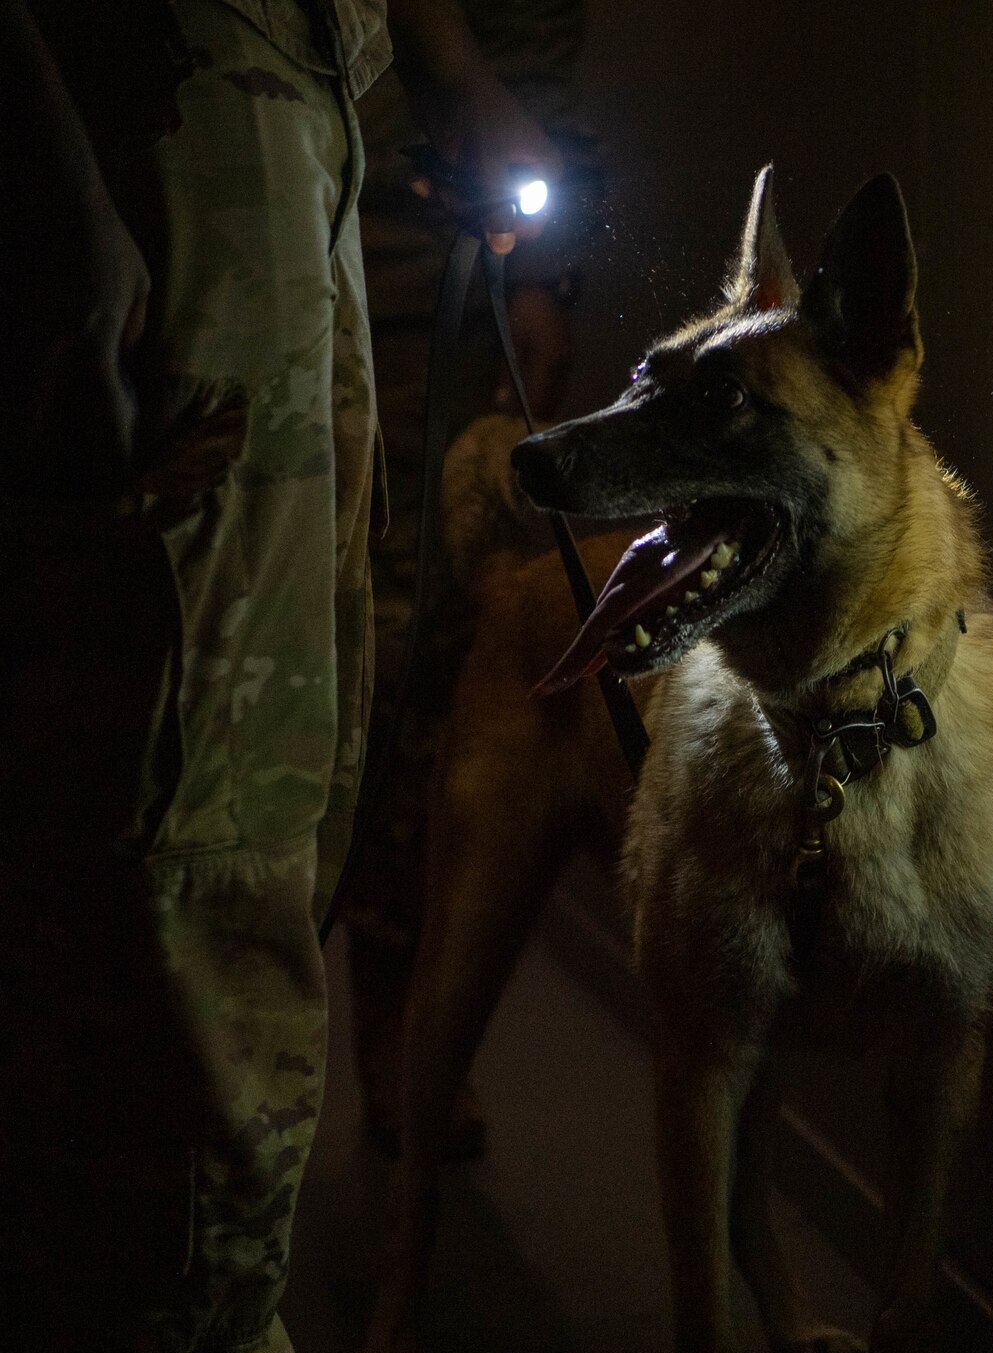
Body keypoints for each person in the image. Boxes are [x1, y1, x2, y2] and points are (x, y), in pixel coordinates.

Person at [0, 2, 554, 1353]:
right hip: (158, 120)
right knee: (195, 831)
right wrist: (62, 202)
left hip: (292, 97)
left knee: (285, 789)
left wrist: (427, 70)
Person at [342, 0, 594, 1156]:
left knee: (418, 669)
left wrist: (538, 274)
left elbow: (535, 51)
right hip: (256, 223)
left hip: (421, 270)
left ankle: (401, 1029)